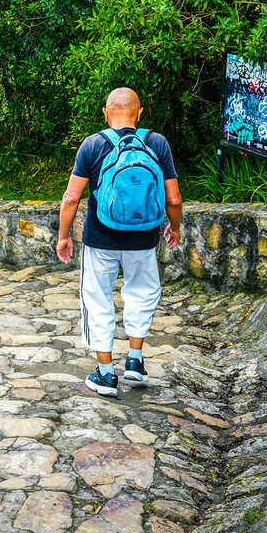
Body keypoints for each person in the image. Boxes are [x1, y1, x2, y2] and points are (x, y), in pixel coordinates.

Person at [56, 87, 183, 396]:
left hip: (100, 239)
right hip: (144, 238)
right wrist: (175, 227)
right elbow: (174, 197)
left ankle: (105, 374)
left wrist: (63, 236)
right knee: (142, 293)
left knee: (97, 299)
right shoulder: (156, 143)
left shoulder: (92, 145)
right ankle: (135, 362)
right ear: (139, 114)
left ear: (105, 112)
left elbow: (72, 197)